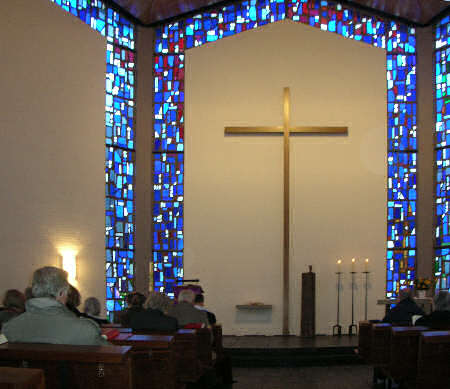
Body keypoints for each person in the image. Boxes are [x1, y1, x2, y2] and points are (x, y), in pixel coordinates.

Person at [3, 266, 108, 345]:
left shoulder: (10, 329)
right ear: (61, 293)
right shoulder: (85, 330)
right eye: (67, 293)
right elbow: (105, 362)